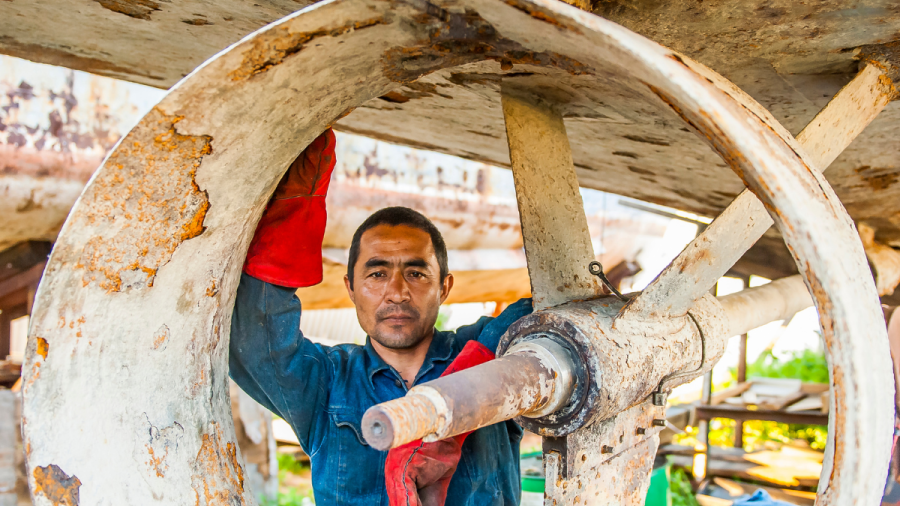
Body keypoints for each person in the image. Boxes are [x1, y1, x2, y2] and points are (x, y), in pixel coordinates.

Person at [229, 129, 533, 506]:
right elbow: (255, 341)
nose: (397, 291)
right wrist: (293, 212)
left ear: (445, 288)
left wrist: (462, 386)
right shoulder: (325, 383)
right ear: (350, 288)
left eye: (417, 273)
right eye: (376, 274)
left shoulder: (486, 350)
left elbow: (540, 315)